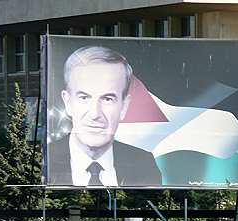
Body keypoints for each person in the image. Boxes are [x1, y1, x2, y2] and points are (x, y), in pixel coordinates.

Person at [48, 45, 161, 187]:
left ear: (124, 106)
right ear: (68, 102)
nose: (95, 114)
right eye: (84, 98)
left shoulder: (143, 164)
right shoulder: (44, 160)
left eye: (108, 99)